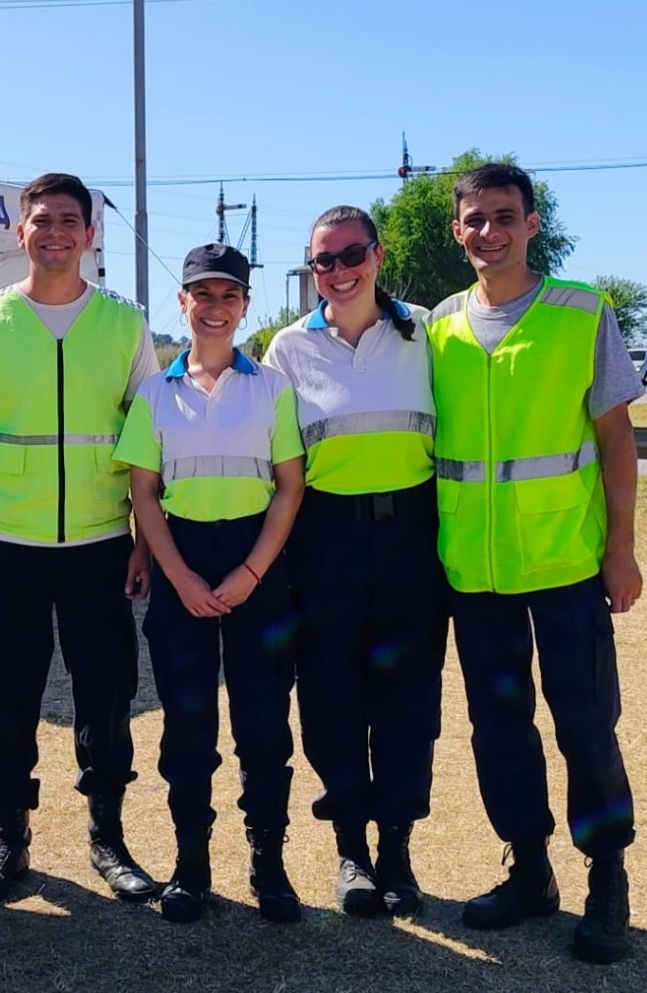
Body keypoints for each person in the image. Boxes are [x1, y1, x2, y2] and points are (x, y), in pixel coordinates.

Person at [427, 163, 640, 964]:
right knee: (499, 730)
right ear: (458, 231)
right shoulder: (439, 326)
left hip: (565, 566)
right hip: (474, 573)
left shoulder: (581, 313)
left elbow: (618, 442)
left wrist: (621, 552)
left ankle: (608, 878)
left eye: (504, 216)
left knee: (586, 726)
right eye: (475, 219)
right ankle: (530, 870)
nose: (490, 231)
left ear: (531, 223)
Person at [0, 172, 159, 907]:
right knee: (10, 700)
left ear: (91, 234)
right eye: (43, 219)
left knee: (106, 699)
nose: (56, 231)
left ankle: (109, 835)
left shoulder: (125, 325)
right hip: (7, 545)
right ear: (20, 230)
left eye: (70, 219)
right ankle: (11, 840)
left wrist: (142, 540)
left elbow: (148, 444)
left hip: (99, 545)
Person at [264, 206, 448, 918]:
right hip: (326, 538)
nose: (338, 272)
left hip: (412, 535)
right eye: (323, 262)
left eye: (351, 256)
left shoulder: (423, 330)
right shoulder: (287, 348)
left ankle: (398, 849)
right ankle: (351, 850)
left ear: (378, 255)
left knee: (408, 699)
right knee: (331, 695)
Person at [115, 244, 305, 924]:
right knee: (188, 729)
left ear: (246, 305)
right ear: (183, 302)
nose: (216, 307)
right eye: (203, 294)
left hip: (257, 559)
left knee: (263, 726)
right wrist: (180, 576)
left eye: (229, 295)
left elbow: (289, 487)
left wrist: (252, 571)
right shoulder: (156, 392)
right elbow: (144, 492)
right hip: (182, 563)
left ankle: (269, 866)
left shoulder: (272, 387)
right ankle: (191, 866)